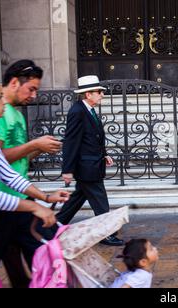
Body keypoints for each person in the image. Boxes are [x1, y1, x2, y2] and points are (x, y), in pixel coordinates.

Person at [0, 60, 64, 288]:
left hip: (9, 204)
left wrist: (45, 198)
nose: (4, 102)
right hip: (0, 206)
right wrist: (34, 206)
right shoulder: (0, 122)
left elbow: (9, 174)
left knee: (16, 258)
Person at [56, 75, 123, 246]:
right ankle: (107, 234)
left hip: (93, 163)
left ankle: (52, 227)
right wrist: (67, 169)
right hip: (86, 167)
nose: (102, 94)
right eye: (99, 92)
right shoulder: (77, 111)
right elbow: (71, 141)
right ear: (88, 94)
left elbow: (92, 139)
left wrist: (104, 154)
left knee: (77, 199)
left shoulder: (89, 110)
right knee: (100, 201)